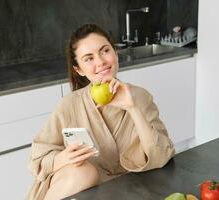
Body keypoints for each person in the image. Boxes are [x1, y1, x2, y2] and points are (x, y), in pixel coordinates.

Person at [27, 24, 175, 200]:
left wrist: (132, 108)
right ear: (79, 69)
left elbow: (160, 157)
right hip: (83, 189)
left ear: (115, 52)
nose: (100, 62)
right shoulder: (70, 104)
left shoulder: (140, 97)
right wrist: (63, 158)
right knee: (84, 172)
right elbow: (38, 158)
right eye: (88, 58)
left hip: (129, 191)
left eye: (105, 51)